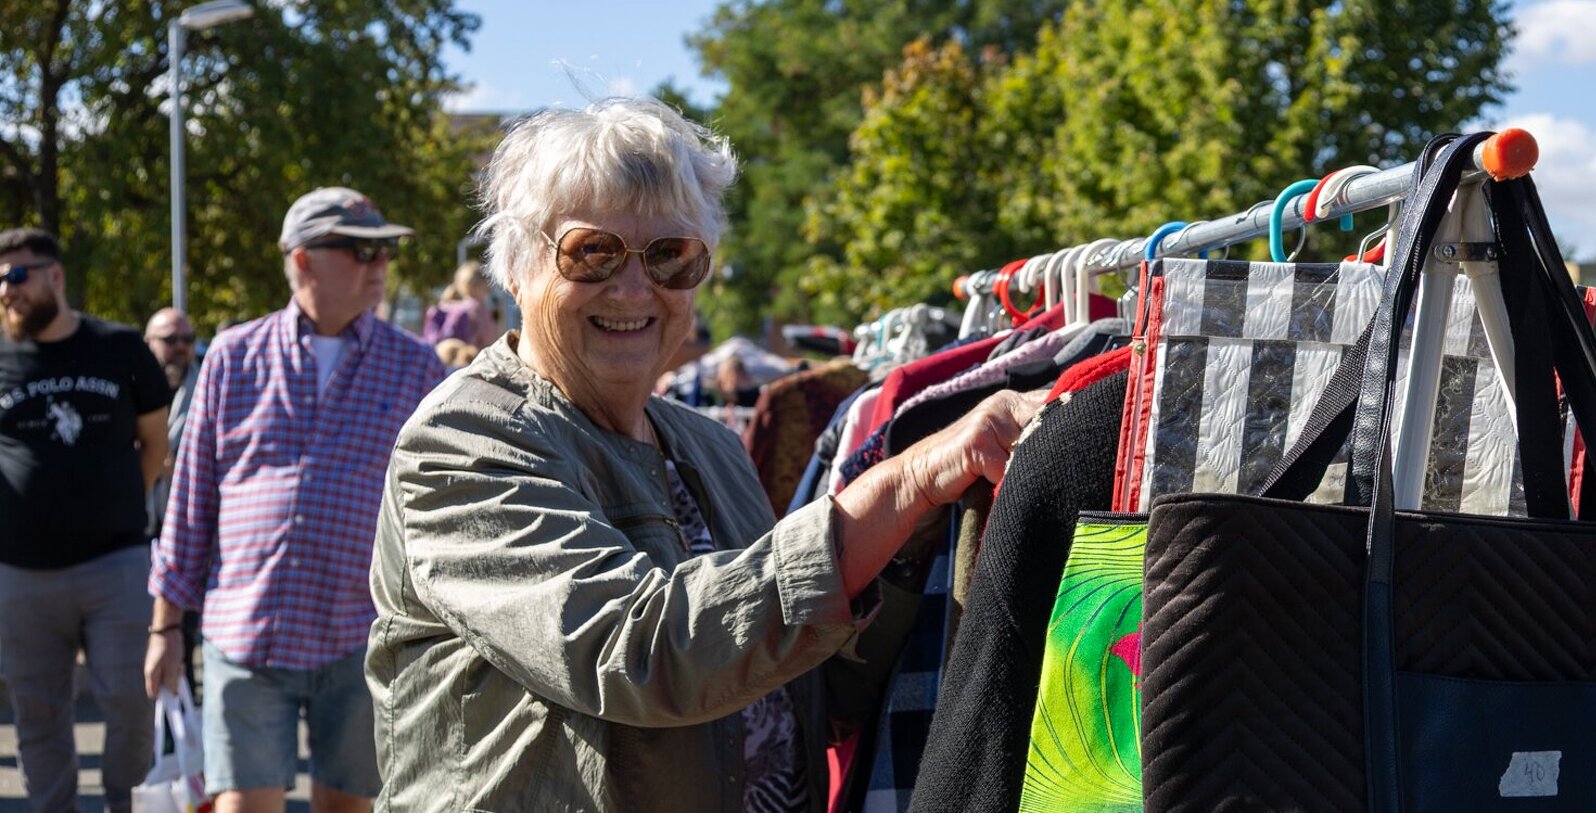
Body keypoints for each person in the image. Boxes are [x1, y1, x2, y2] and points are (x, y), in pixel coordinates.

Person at [365, 97, 1042, 812]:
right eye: (591, 252)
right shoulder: (465, 439)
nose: (633, 288)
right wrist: (901, 483)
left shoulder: (710, 445)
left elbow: (801, 686)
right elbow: (640, 652)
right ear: (518, 268)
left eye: (670, 256)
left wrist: (918, 542)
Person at [146, 188, 447, 813]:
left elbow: (437, 507)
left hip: (361, 634)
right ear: (303, 258)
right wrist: (165, 626)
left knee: (348, 806)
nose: (380, 265)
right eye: (361, 250)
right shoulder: (233, 355)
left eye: (385, 250)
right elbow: (191, 498)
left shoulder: (416, 367)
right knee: (241, 806)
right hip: (245, 629)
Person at [0, 227, 171, 812]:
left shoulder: (119, 347)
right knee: (37, 709)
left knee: (129, 698)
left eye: (17, 275)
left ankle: (126, 803)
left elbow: (154, 444)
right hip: (21, 574)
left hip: (115, 563)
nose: (6, 290)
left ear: (55, 276)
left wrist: (117, 502)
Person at [144, 307, 205, 689]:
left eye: (187, 339)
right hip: (138, 527)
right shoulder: (130, 387)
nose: (181, 347)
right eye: (170, 340)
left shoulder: (207, 385)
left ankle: (185, 711)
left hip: (187, 527)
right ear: (148, 342)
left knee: (186, 628)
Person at [421, 260, 498, 349]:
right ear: (480, 285)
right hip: (470, 359)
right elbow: (489, 340)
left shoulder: (447, 305)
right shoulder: (477, 308)